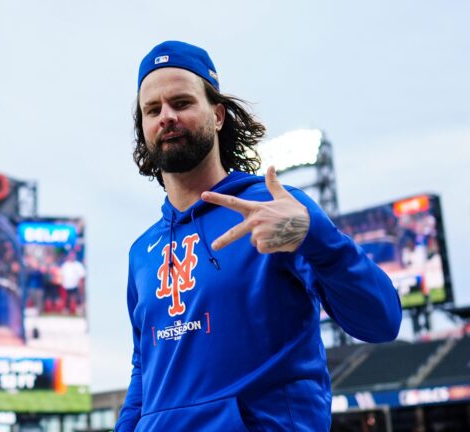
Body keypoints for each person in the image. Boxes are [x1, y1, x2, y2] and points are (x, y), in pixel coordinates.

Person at [115, 41, 402, 431]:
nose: (166, 116)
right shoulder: (142, 253)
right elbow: (144, 373)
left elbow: (381, 322)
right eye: (153, 109)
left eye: (181, 103)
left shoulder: (275, 208)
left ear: (217, 115)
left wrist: (315, 236)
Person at [59, 250, 86, 315]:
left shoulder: (78, 265)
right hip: (66, 284)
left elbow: (82, 275)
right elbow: (61, 274)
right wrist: (62, 282)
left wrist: (80, 284)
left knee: (77, 297)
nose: (71, 257)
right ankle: (66, 309)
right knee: (67, 298)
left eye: (72, 256)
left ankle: (79, 309)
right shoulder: (65, 265)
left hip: (76, 284)